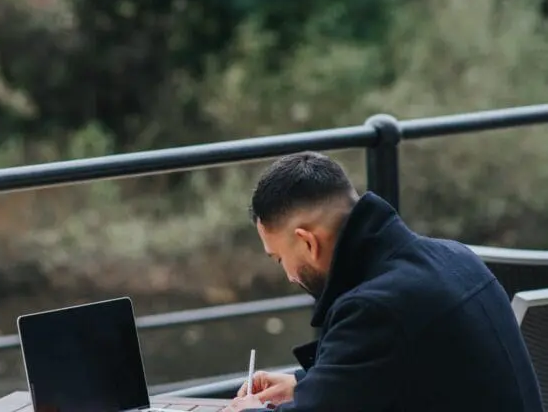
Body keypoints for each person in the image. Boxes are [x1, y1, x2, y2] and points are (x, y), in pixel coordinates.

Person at [222, 152, 542, 412]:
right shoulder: (456, 257)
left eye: (280, 259)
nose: (289, 275)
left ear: (307, 242)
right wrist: (302, 386)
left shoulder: (374, 309)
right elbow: (392, 372)